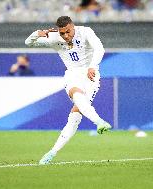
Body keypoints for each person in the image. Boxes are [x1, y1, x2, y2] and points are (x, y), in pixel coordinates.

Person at [25, 16, 112, 165]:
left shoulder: (85, 32)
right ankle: (99, 121)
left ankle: (52, 152)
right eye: (62, 33)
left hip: (91, 74)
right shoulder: (54, 37)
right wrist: (37, 33)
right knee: (76, 94)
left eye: (68, 32)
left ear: (73, 26)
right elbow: (28, 42)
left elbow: (99, 48)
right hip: (72, 74)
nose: (65, 36)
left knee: (75, 117)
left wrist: (92, 66)